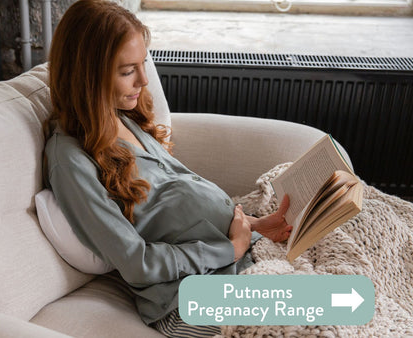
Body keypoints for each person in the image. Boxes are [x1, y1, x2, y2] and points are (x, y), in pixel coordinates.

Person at [44, 0, 292, 336]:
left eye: (143, 63)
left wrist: (257, 226)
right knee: (335, 310)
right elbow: (136, 263)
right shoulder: (70, 161)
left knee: (361, 255)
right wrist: (229, 248)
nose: (144, 80)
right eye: (127, 71)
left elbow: (178, 211)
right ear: (87, 76)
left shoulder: (122, 120)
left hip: (236, 263)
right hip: (190, 299)